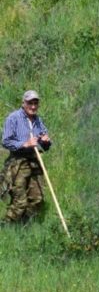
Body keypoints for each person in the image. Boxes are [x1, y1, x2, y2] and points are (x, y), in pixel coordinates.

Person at [1, 90, 52, 222]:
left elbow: (43, 144)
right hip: (17, 163)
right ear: (23, 103)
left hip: (34, 162)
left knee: (37, 198)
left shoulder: (38, 120)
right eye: (30, 103)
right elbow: (6, 141)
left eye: (36, 103)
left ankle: (26, 224)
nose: (33, 106)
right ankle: (6, 227)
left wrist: (46, 141)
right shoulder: (13, 118)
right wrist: (25, 144)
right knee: (20, 202)